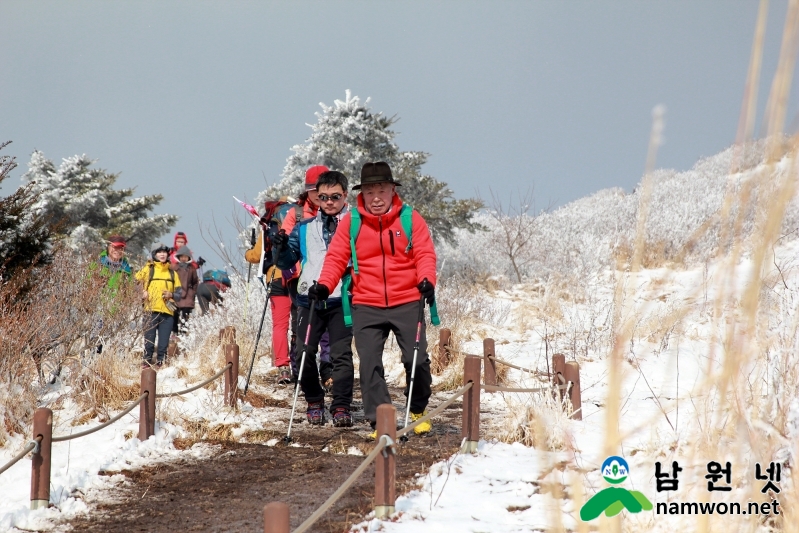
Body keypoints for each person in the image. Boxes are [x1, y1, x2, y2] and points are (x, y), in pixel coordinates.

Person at [312, 161, 438, 436]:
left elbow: (425, 254)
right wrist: (324, 285)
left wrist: (427, 279)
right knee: (369, 364)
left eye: (382, 189)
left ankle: (417, 410)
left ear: (393, 190)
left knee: (416, 360)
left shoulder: (410, 218)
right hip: (366, 303)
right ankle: (382, 421)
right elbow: (336, 258)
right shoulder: (352, 222)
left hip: (407, 300)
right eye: (370, 191)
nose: (376, 197)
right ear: (362, 194)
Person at [273, 170, 354, 426]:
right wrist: (281, 246)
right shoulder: (304, 228)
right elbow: (287, 261)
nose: (329, 202)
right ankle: (314, 400)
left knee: (341, 356)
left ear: (345, 196)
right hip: (309, 299)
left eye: (335, 196)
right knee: (304, 352)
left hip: (342, 300)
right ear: (316, 198)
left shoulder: (355, 224)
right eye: (323, 197)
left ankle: (341, 405)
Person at [281, 165, 333, 388]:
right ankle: (299, 368)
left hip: (332, 279)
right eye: (315, 191)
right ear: (308, 191)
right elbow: (286, 248)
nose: (320, 196)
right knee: (302, 327)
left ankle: (328, 369)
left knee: (330, 328)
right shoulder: (296, 214)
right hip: (300, 280)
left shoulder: (339, 212)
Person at [245, 200, 295, 384]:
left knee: (280, 326)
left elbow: (256, 256)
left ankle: (283, 366)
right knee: (300, 321)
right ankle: (300, 363)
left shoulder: (268, 228)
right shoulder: (298, 224)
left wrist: (247, 253)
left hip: (274, 278)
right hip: (296, 276)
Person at [135, 243, 183, 368]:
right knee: (149, 342)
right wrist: (141, 291)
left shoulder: (173, 273)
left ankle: (161, 364)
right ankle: (146, 363)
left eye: (164, 252)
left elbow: (179, 294)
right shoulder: (148, 269)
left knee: (163, 344)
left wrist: (171, 294)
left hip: (168, 313)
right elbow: (134, 283)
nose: (162, 254)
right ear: (154, 254)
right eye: (159, 252)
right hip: (150, 311)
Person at [88, 234, 133, 353]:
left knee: (114, 342)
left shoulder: (126, 268)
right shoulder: (98, 263)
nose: (117, 251)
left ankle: (107, 367)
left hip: (117, 310)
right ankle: (91, 364)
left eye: (121, 248)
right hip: (98, 307)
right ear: (108, 247)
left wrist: (125, 305)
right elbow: (86, 283)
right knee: (96, 339)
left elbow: (129, 290)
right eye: (115, 247)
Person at [171, 245, 199, 335]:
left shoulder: (192, 268)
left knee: (185, 315)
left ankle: (184, 334)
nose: (183, 259)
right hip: (176, 294)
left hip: (188, 295)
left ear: (188, 257)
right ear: (179, 257)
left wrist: (193, 292)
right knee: (174, 314)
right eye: (181, 256)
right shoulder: (174, 267)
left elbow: (195, 282)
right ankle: (174, 332)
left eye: (185, 257)